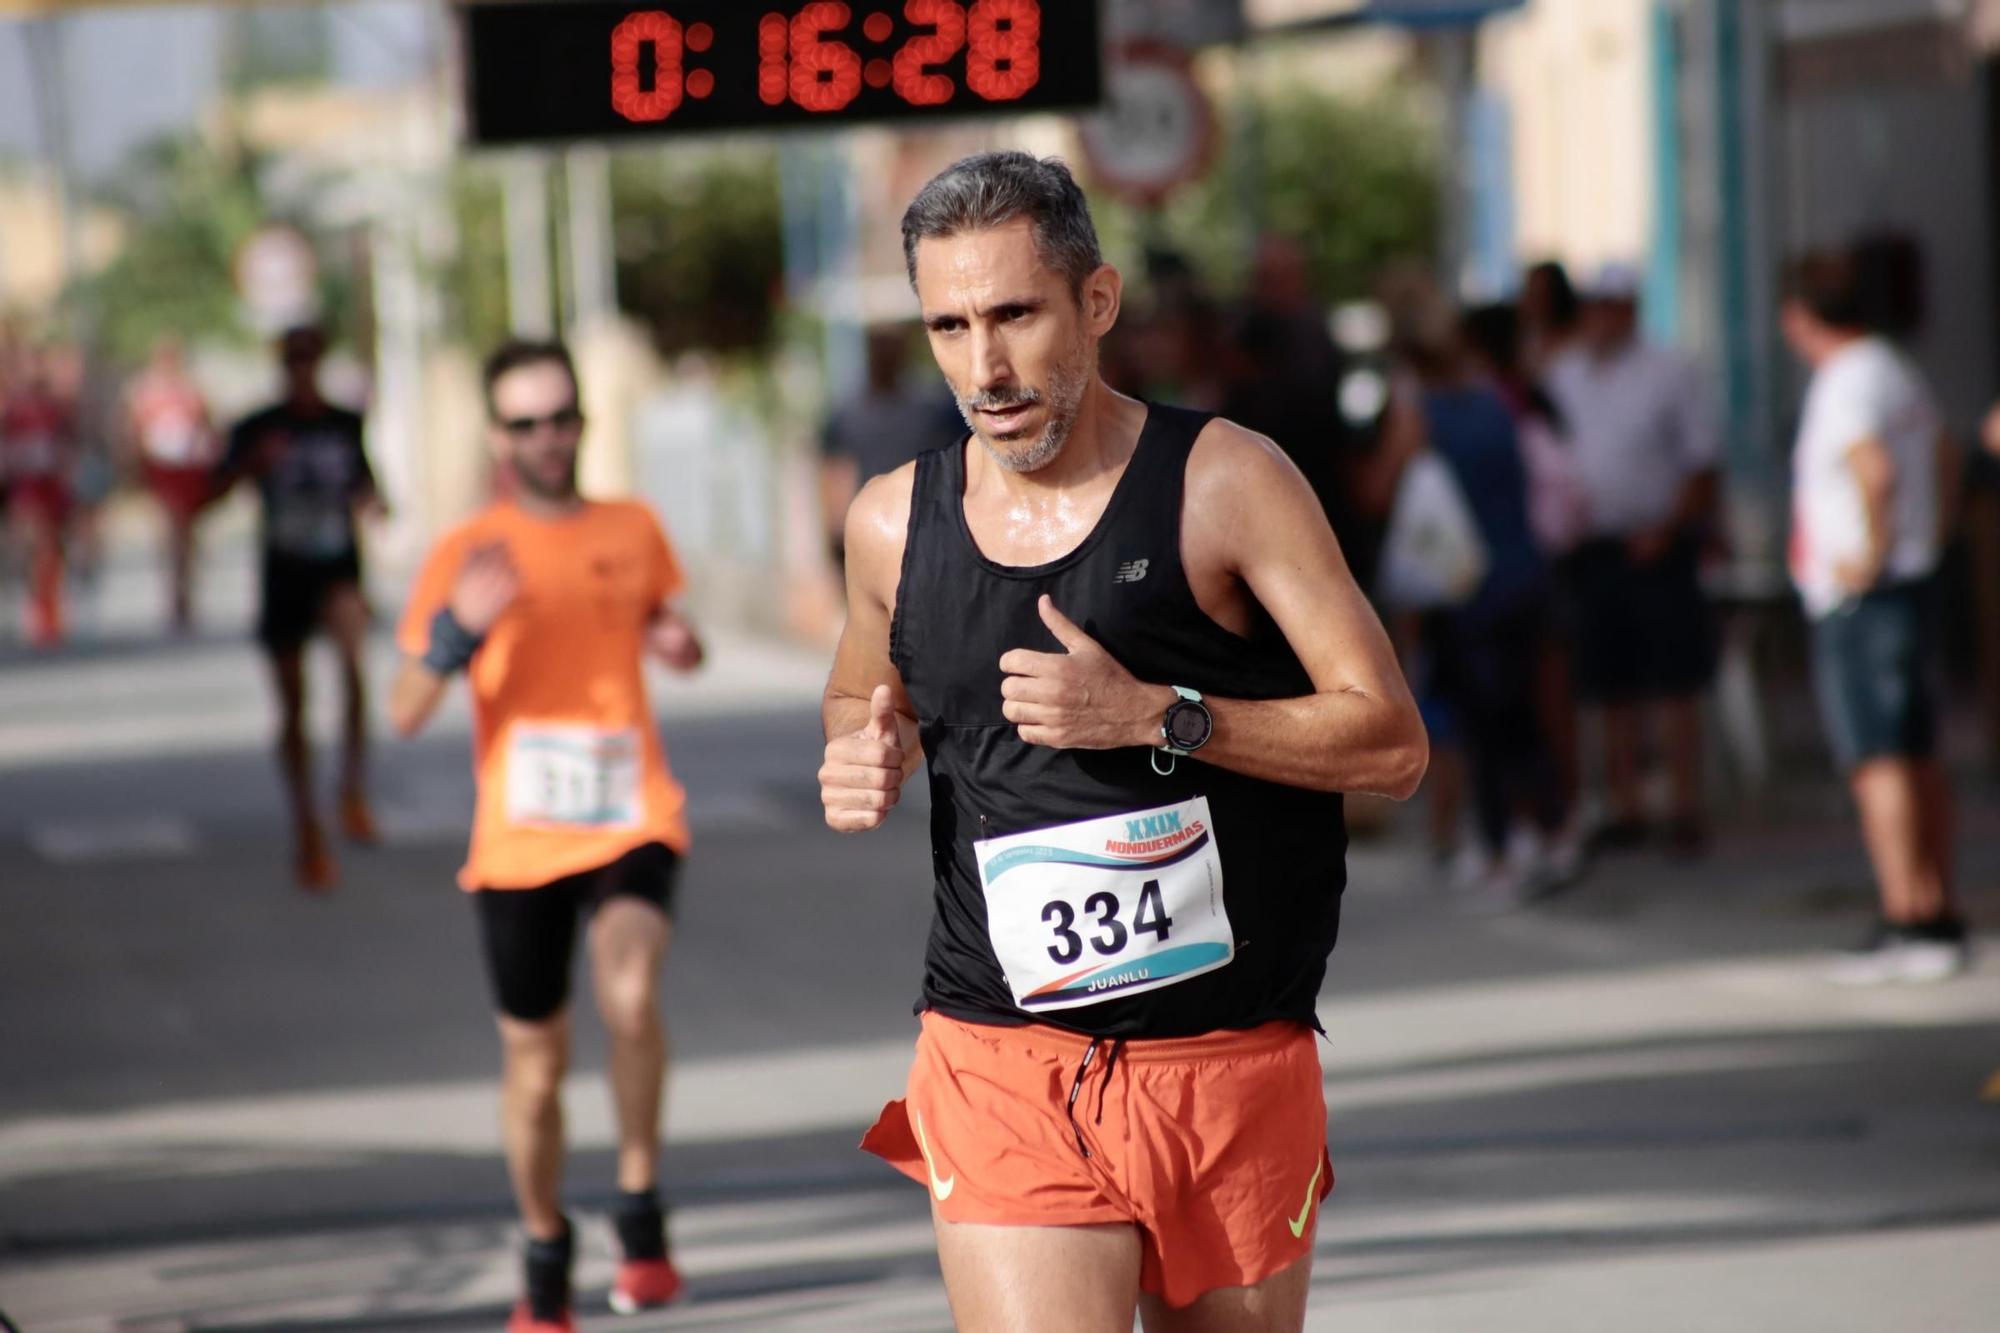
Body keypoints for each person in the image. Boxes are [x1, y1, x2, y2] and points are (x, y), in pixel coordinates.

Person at [822, 152, 1426, 1332]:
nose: (982, 367)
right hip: (1002, 1052)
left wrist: (1158, 714)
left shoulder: (1226, 484)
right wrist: (862, 745)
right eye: (947, 325)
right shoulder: (891, 521)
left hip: (1227, 1059)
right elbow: (858, 695)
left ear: (1094, 304)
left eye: (1013, 315)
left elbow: (1389, 743)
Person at [390, 339, 703, 1333]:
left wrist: (675, 641)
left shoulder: (632, 525)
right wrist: (456, 635)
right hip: (518, 841)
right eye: (525, 422)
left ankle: (639, 1207)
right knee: (532, 1072)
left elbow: (666, 624)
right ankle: (543, 1244)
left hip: (629, 814)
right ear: (498, 435)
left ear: (581, 421)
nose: (547, 437)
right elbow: (402, 707)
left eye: (561, 416)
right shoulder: (466, 552)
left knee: (631, 989)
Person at [1779, 253, 1967, 984]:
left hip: (1866, 595)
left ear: (1799, 317)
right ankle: (1936, 910)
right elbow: (1944, 451)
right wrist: (1934, 534)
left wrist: (1871, 551)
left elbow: (1875, 469)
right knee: (1916, 749)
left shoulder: (1847, 379)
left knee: (1877, 756)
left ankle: (1906, 917)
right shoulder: (1893, 367)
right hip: (1910, 583)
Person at [1545, 262, 1720, 856]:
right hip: (1594, 548)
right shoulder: (1565, 375)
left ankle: (1683, 804)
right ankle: (1625, 805)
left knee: (1674, 681)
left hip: (1658, 545)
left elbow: (1701, 463)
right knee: (1607, 684)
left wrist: (1669, 528)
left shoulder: (1669, 371)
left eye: (1613, 305)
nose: (1602, 316)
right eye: (1594, 305)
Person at [214, 325, 382, 890]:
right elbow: (212, 491)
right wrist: (254, 465)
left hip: (337, 568)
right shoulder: (259, 428)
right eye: (294, 361)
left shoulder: (343, 424)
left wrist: (374, 502)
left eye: (311, 359)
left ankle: (352, 787)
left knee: (355, 667)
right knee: (294, 704)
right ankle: (307, 823)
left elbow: (368, 486)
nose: (303, 370)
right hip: (284, 573)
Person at [819, 323, 962, 572]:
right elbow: (834, 477)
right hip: (880, 533)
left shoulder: (932, 411)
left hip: (925, 533)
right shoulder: (847, 417)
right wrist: (837, 539)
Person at [126, 338, 220, 633]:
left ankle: (185, 592)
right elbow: (132, 430)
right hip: (160, 471)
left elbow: (207, 425)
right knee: (168, 530)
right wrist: (134, 468)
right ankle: (174, 593)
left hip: (187, 470)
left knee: (186, 533)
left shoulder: (191, 391)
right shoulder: (144, 392)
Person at [0, 348, 76, 648]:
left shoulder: (56, 406)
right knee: (33, 544)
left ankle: (51, 608)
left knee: (52, 548)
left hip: (51, 485)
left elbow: (68, 442)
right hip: (25, 485)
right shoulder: (11, 408)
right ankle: (34, 609)